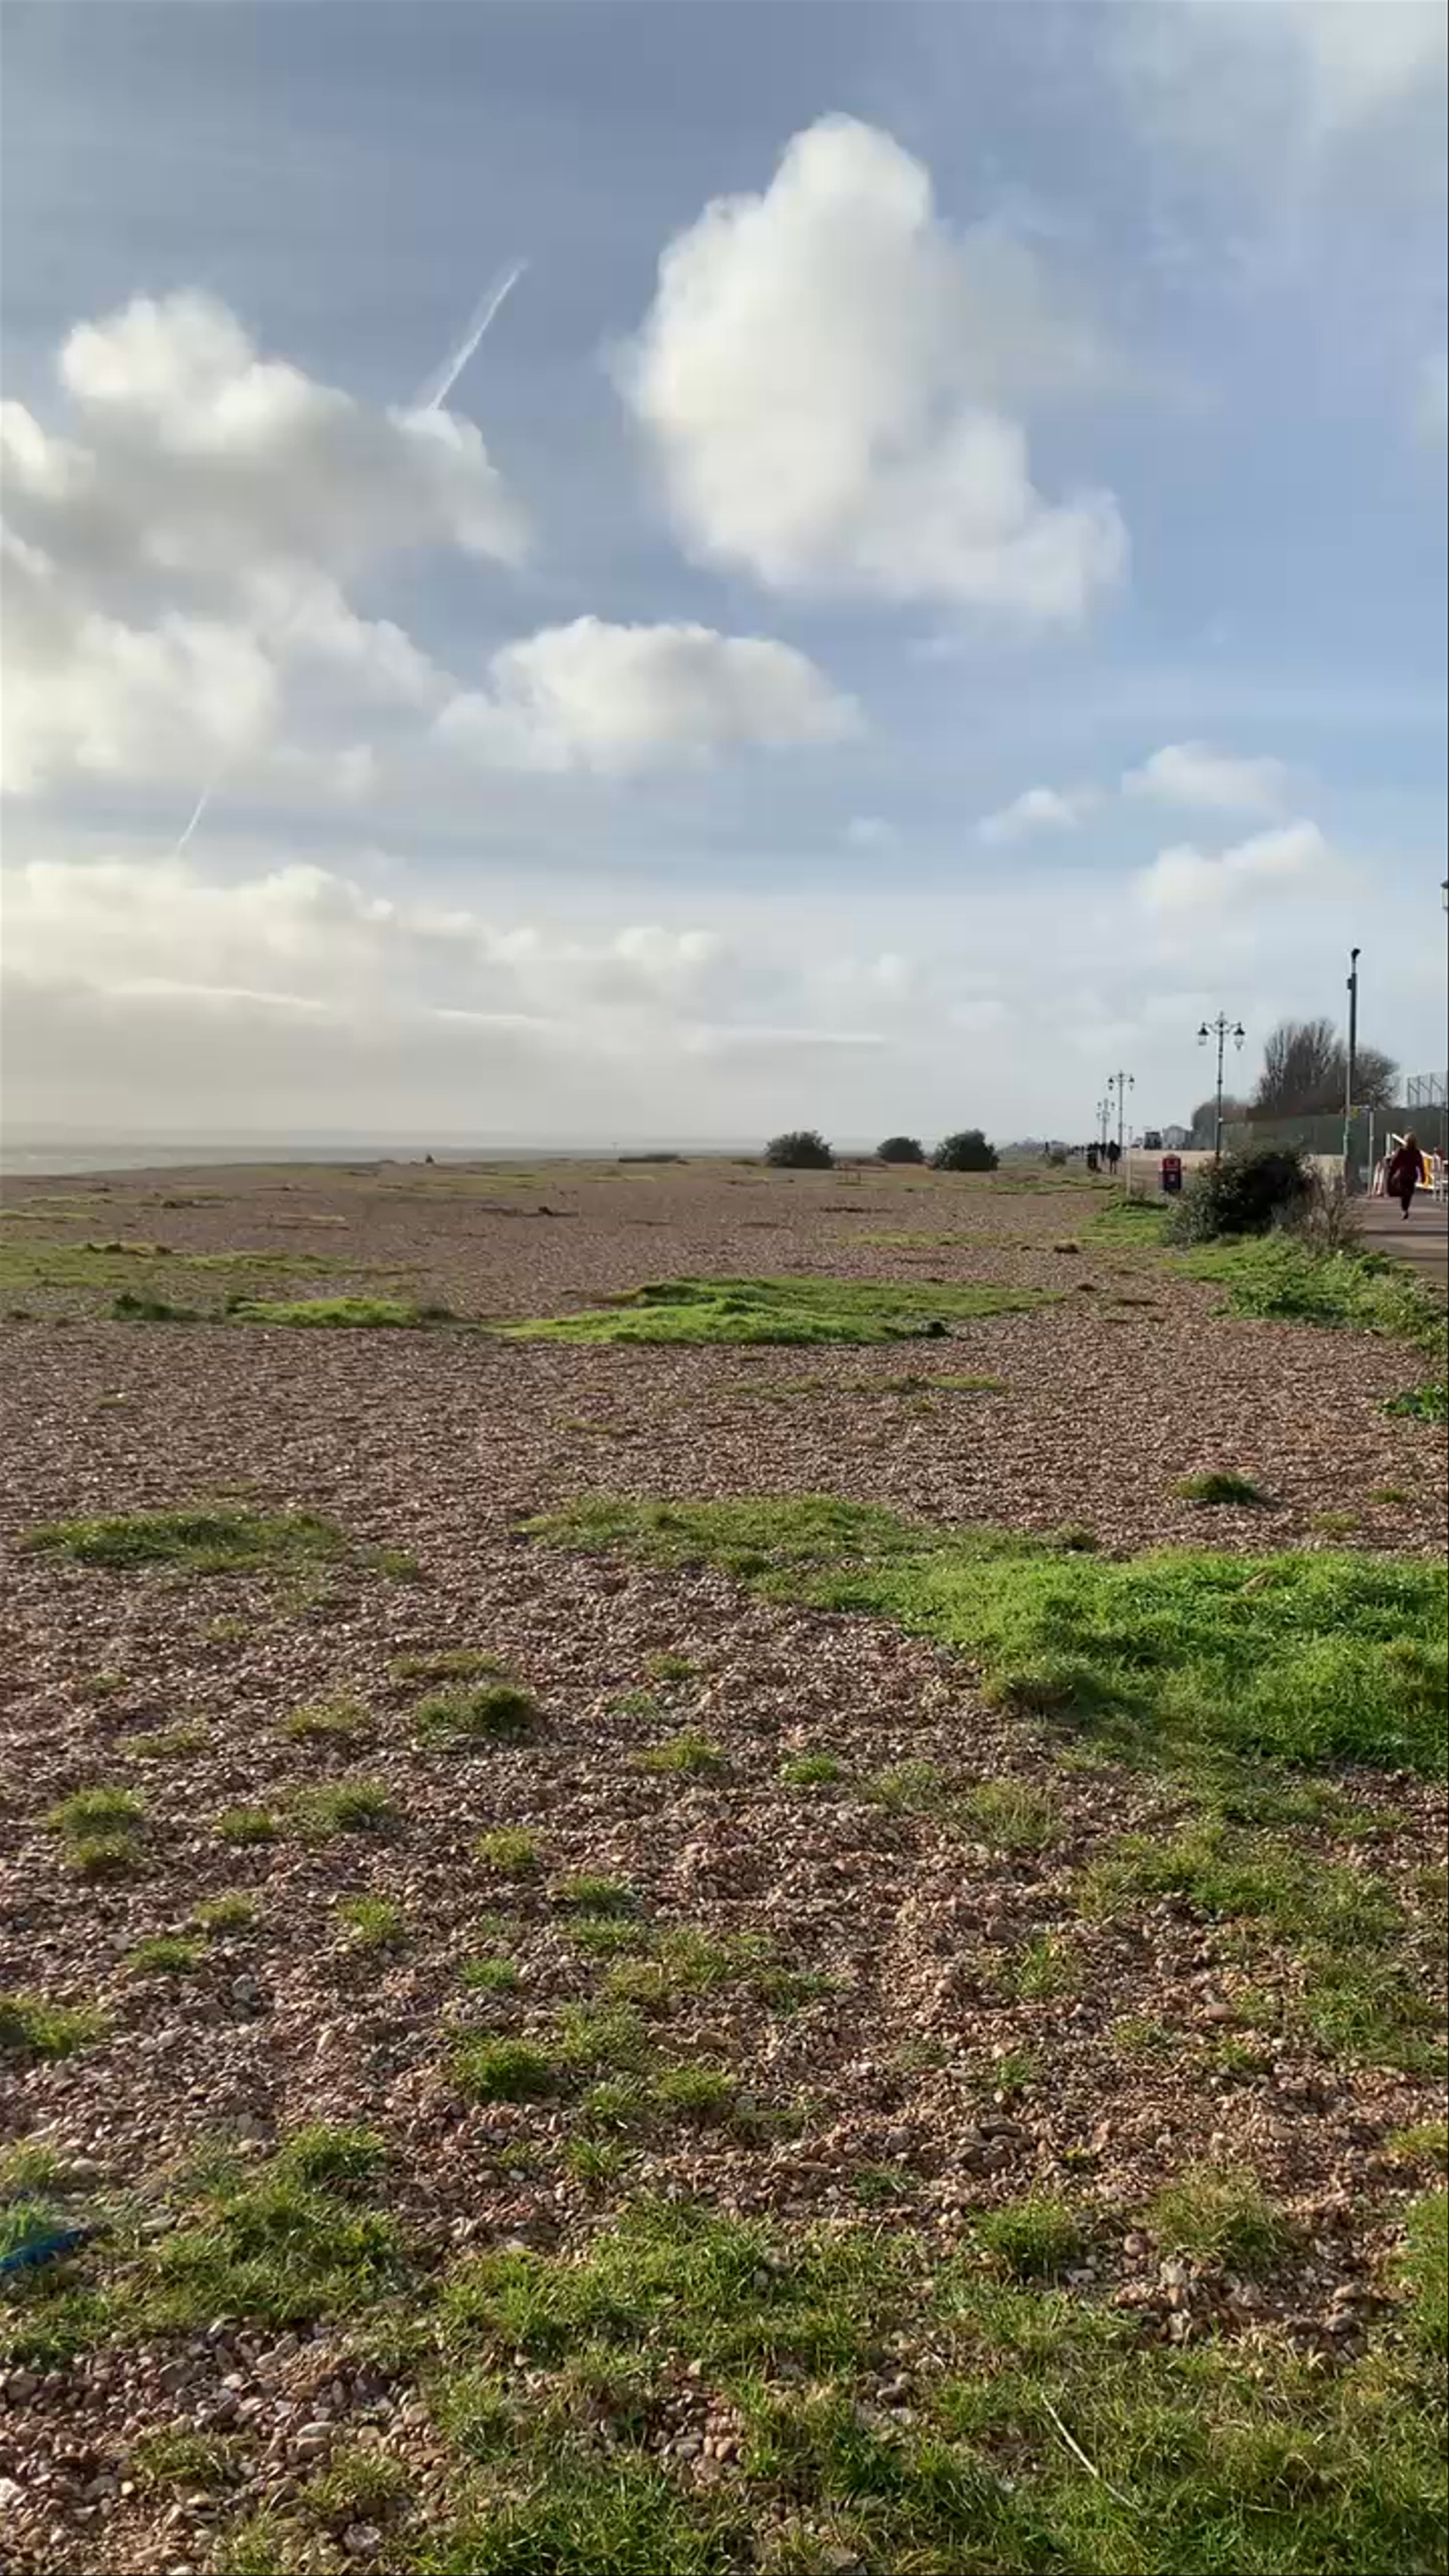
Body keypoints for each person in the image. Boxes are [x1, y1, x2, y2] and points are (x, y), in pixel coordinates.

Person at [1385, 1134, 1423, 1219]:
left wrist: (1391, 1172)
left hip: (1403, 1175)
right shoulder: (1416, 1152)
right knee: (1408, 1194)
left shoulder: (1401, 1151)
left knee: (1405, 1193)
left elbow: (1394, 1163)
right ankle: (1405, 1209)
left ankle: (1404, 1210)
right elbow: (1421, 1166)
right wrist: (1423, 1176)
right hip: (1412, 1176)